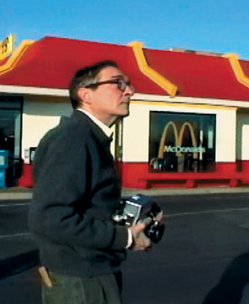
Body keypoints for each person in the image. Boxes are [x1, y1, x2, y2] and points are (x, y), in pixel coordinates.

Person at [28, 60, 156, 304]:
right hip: (81, 281)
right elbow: (50, 218)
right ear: (85, 94)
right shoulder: (75, 138)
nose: (129, 91)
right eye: (118, 83)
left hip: (90, 274)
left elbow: (88, 205)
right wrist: (125, 238)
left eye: (128, 84)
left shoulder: (88, 136)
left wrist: (133, 220)